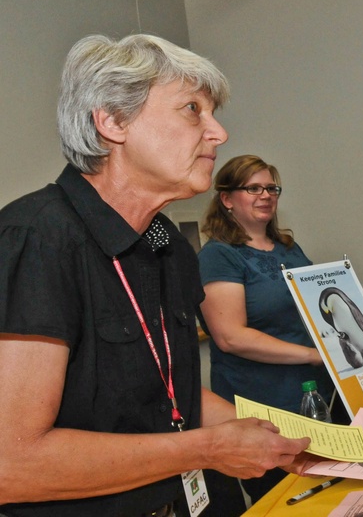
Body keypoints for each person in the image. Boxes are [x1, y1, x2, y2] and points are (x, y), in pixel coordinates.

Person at [0, 35, 312, 517]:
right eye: (192, 109)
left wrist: (303, 440)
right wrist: (204, 449)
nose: (218, 133)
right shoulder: (37, 239)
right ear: (112, 121)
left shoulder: (165, 243)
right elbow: (11, 463)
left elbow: (175, 395)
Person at [199, 155, 343, 503]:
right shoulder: (218, 256)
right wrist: (313, 354)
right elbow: (230, 337)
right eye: (253, 188)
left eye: (271, 188)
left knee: (339, 495)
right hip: (264, 404)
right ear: (227, 199)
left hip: (318, 397)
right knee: (290, 502)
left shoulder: (290, 250)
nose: (266, 195)